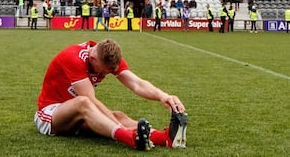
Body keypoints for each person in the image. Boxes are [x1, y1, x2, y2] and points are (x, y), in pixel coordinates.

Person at [35, 39, 188, 150]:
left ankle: (165, 138)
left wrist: (164, 96)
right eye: (104, 70)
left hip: (77, 117)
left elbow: (137, 83)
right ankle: (129, 138)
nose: (105, 73)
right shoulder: (73, 57)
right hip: (50, 114)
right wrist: (122, 128)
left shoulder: (108, 58)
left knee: (118, 115)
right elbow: (90, 100)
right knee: (84, 102)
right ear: (93, 58)